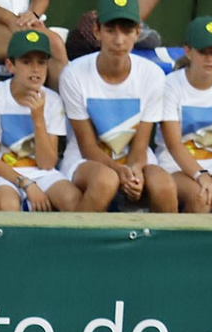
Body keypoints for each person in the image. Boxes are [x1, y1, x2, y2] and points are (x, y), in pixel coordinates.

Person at [59, 0, 173, 212]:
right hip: (83, 158)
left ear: (137, 32)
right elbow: (87, 147)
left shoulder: (153, 75)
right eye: (110, 31)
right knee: (105, 181)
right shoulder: (73, 74)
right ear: (97, 31)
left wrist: (134, 170)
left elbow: (140, 144)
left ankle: (165, 236)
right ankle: (78, 234)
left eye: (127, 31)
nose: (119, 40)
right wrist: (119, 171)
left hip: (134, 157)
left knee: (164, 185)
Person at [0, 28, 81, 210]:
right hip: (2, 174)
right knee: (8, 204)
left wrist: (38, 119)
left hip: (42, 173)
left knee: (72, 199)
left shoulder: (53, 101)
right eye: (26, 62)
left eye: (41, 62)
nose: (35, 69)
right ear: (10, 65)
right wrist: (25, 183)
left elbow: (47, 163)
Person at [155, 17, 212, 215]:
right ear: (188, 51)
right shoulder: (171, 84)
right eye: (203, 52)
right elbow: (173, 144)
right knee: (201, 196)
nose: (210, 59)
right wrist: (202, 176)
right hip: (174, 166)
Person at [0, 0, 68, 87]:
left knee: (55, 45)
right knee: (51, 45)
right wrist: (10, 19)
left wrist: (32, 15)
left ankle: (61, 108)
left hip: (22, 23)